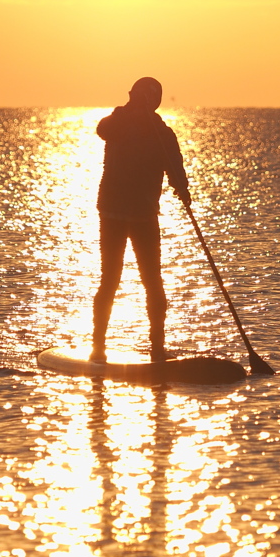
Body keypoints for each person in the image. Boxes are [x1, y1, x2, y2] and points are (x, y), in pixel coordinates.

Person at [91, 77, 190, 363]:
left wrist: (182, 190)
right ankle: (98, 347)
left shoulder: (162, 133)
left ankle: (157, 348)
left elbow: (175, 166)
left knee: (153, 282)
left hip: (145, 215)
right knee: (110, 279)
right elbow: (102, 129)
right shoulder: (118, 124)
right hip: (112, 214)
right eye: (138, 98)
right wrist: (128, 111)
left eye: (147, 100)